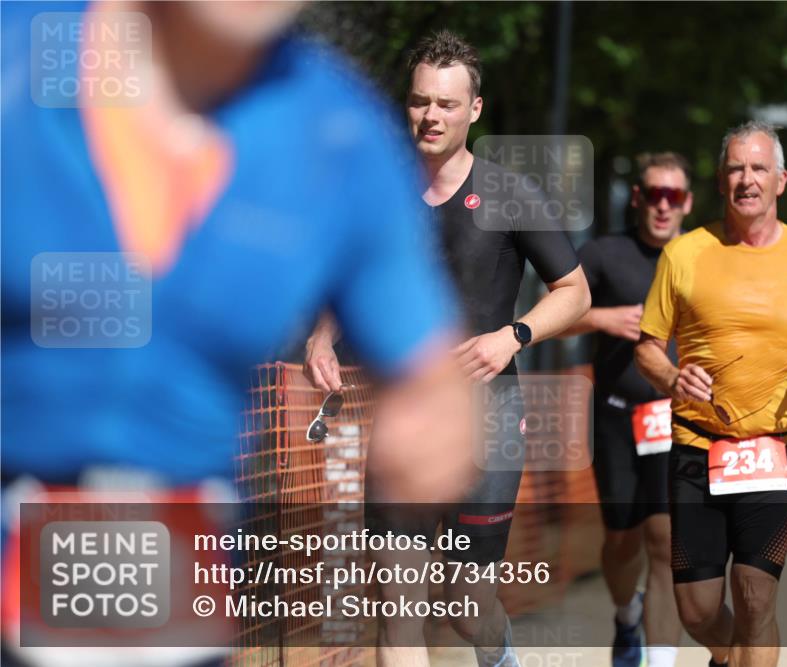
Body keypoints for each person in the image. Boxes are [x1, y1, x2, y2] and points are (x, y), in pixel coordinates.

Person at [2, 3, 477, 665]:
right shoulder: (17, 61)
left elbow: (431, 380)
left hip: (182, 598)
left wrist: (429, 429)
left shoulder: (339, 135)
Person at [304, 31, 590, 667]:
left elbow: (575, 292)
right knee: (398, 607)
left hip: (488, 421)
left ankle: (502, 658)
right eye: (419, 102)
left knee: (464, 601)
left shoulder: (510, 195)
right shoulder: (383, 191)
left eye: (446, 104)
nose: (431, 116)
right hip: (403, 418)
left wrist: (513, 335)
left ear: (475, 110)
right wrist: (323, 333)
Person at [634, 121, 787, 667]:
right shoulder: (683, 254)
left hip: (774, 450)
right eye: (735, 168)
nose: (746, 179)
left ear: (781, 180)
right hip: (695, 448)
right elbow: (648, 348)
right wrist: (673, 377)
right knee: (698, 609)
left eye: (758, 168)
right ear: (720, 179)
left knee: (755, 596)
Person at [561, 152, 690, 667]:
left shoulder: (701, 256)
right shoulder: (603, 253)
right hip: (614, 416)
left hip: (675, 417)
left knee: (664, 540)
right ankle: (624, 615)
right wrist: (602, 317)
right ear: (638, 197)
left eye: (673, 196)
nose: (663, 206)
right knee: (621, 539)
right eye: (654, 194)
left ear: (687, 203)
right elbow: (555, 316)